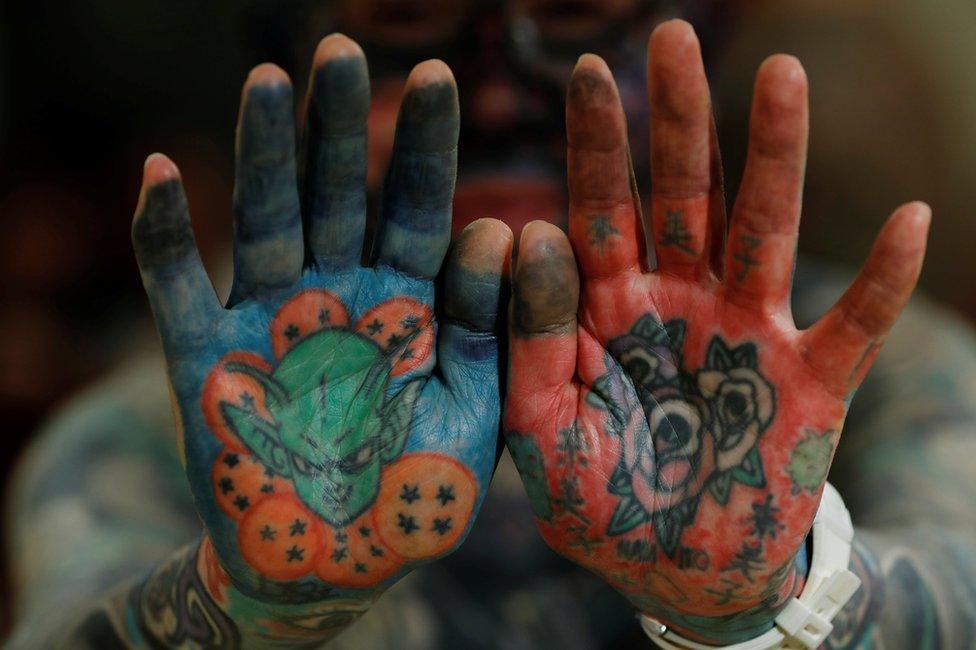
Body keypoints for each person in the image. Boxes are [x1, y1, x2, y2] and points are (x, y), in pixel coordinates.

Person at [5, 13, 976, 650]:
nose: (502, 85)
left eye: (571, 16)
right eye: (406, 14)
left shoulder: (856, 380)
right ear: (305, 55)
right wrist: (241, 600)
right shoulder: (186, 426)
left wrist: (773, 596)